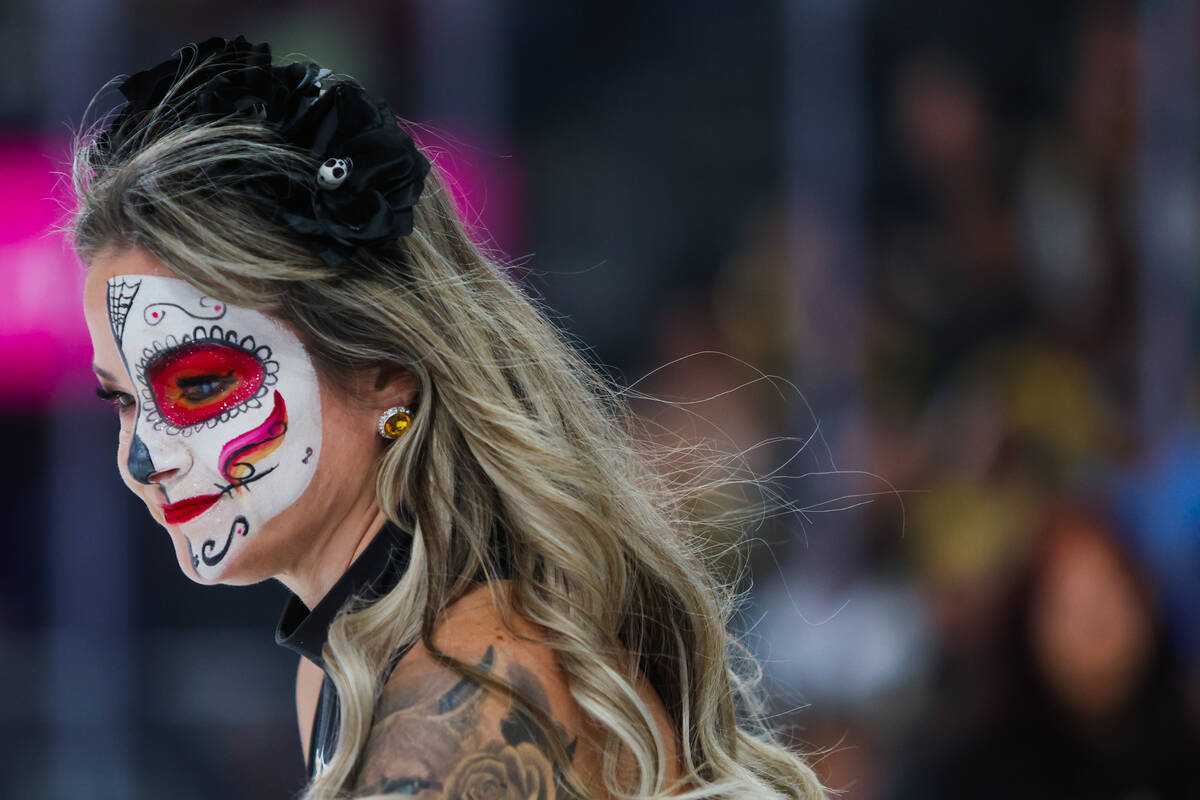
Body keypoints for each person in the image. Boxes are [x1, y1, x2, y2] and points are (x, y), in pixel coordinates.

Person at [72, 36, 825, 800]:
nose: (142, 458)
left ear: (387, 373)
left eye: (198, 386)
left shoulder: (459, 701)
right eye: (123, 401)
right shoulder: (349, 669)